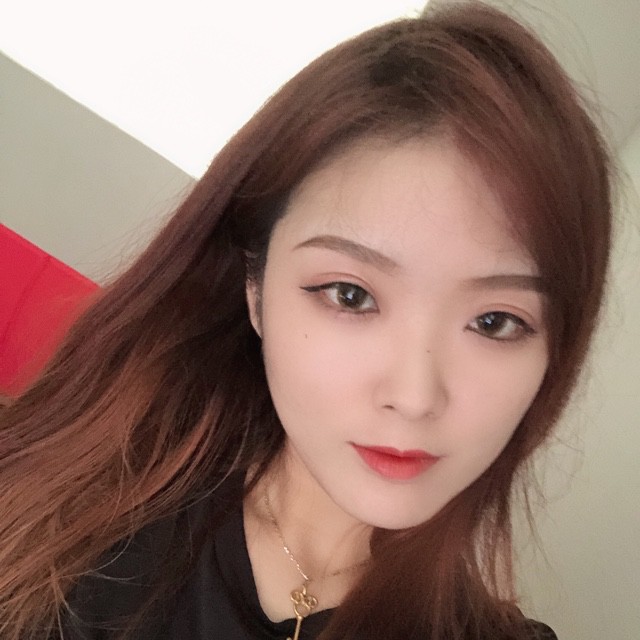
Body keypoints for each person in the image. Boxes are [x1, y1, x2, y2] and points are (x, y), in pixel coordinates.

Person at [0, 2, 612, 639]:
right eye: (350, 295)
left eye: (494, 322)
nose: (413, 397)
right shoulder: (68, 501)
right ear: (255, 289)